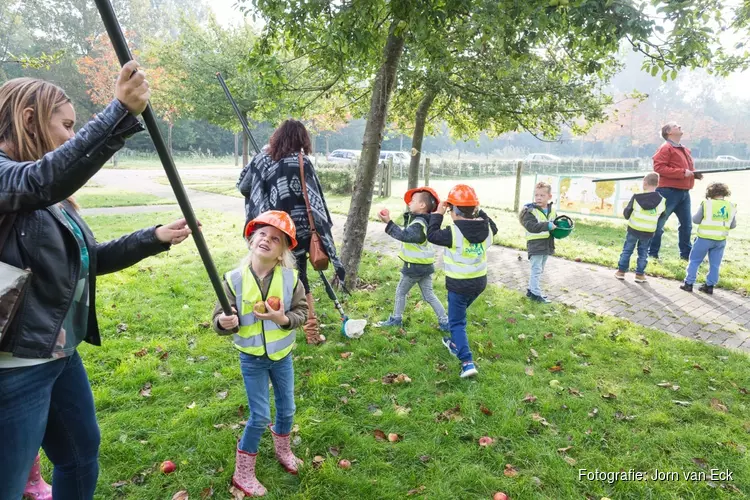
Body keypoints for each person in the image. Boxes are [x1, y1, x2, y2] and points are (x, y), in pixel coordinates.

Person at [0, 67, 194, 500]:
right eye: (65, 125)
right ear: (29, 120)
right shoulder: (14, 179)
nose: (71, 136)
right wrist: (120, 113)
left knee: (80, 456)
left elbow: (88, 262)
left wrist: (152, 238)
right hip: (14, 366)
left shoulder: (53, 198)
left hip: (60, 352)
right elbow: (38, 182)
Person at [213, 210, 307, 497]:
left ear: (282, 253)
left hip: (282, 356)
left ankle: (284, 451)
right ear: (252, 240)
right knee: (259, 415)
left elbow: (302, 311)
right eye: (262, 235)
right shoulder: (234, 280)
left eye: (275, 238)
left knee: (287, 408)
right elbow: (219, 316)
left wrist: (283, 319)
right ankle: (243, 472)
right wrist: (224, 323)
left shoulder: (291, 280)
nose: (266, 240)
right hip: (252, 358)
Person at [237, 120, 344, 345]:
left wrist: (261, 162)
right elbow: (315, 200)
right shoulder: (302, 161)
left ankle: (260, 319)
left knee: (265, 272)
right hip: (297, 232)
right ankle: (311, 331)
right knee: (299, 277)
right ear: (302, 140)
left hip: (268, 229)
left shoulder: (261, 159)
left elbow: (244, 187)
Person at [427, 184, 497, 378]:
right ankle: (454, 342)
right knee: (458, 316)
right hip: (479, 284)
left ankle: (467, 362)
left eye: (450, 211)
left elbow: (431, 234)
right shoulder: (488, 230)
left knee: (457, 323)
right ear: (475, 209)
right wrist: (478, 209)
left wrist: (438, 213)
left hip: (459, 286)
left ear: (453, 211)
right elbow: (494, 226)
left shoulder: (453, 233)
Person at [375, 187, 449, 331]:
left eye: (413, 200)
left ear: (422, 205)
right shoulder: (426, 221)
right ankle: (445, 321)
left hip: (414, 268)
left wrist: (388, 222)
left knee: (400, 292)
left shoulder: (418, 224)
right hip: (426, 266)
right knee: (429, 295)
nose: (409, 202)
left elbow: (405, 236)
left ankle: (396, 319)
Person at [649, 122, 703, 260]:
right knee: (659, 224)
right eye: (675, 126)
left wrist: (694, 173)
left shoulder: (683, 149)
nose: (679, 126)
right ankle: (652, 254)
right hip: (668, 192)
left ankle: (686, 255)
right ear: (669, 132)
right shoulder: (666, 148)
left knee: (687, 225)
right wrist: (681, 173)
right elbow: (659, 168)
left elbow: (686, 169)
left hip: (684, 192)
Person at [680, 182, 737, 295]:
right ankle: (709, 286)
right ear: (725, 193)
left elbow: (696, 220)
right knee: (715, 264)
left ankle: (688, 284)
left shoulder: (706, 204)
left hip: (704, 239)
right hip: (720, 240)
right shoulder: (731, 206)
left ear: (710, 193)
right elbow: (733, 225)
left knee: (695, 261)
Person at [614, 173, 665, 283]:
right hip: (648, 231)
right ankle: (640, 274)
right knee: (643, 252)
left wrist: (628, 215)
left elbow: (627, 212)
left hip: (634, 229)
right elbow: (662, 215)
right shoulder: (662, 201)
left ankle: (621, 272)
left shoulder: (637, 197)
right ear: (658, 184)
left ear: (645, 183)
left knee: (627, 250)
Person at [519, 182, 556, 303]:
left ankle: (531, 290)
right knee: (536, 269)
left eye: (542, 195)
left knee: (540, 269)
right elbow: (531, 227)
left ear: (549, 196)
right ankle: (535, 294)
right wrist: (548, 225)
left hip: (547, 244)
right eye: (536, 195)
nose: (538, 198)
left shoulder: (552, 210)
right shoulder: (530, 211)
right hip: (535, 244)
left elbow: (555, 223)